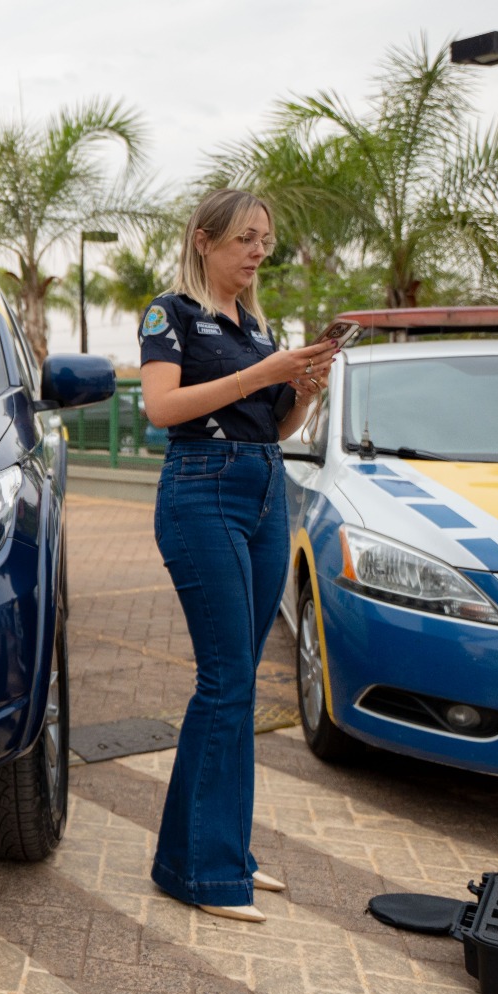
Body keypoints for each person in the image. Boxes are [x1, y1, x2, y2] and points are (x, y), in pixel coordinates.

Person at [137, 188, 335, 923]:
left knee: (239, 685)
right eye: (245, 239)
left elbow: (273, 427)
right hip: (201, 492)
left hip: (261, 488)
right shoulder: (171, 313)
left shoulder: (256, 324)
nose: (257, 252)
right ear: (202, 240)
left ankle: (223, 852)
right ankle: (202, 871)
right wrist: (262, 372)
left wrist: (303, 390)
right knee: (223, 683)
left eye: (264, 242)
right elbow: (161, 409)